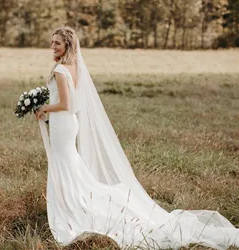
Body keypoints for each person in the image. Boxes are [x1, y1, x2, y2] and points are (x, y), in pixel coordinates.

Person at [35, 26, 239, 250]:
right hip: (65, 123)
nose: (53, 46)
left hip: (63, 123)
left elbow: (66, 104)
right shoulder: (73, 67)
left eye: (58, 43)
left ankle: (74, 207)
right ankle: (73, 202)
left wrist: (42, 107)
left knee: (64, 163)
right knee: (69, 164)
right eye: (52, 42)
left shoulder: (61, 70)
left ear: (68, 46)